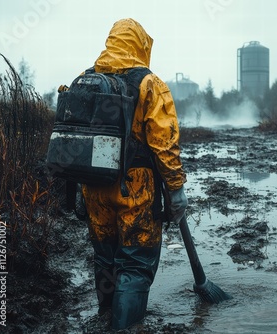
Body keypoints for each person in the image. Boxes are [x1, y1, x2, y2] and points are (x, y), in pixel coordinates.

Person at [81, 18, 188, 331]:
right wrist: (176, 189)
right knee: (136, 264)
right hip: (134, 189)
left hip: (93, 186)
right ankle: (124, 328)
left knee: (105, 258)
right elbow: (165, 143)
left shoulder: (84, 79)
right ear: (140, 44)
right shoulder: (149, 84)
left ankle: (104, 318)